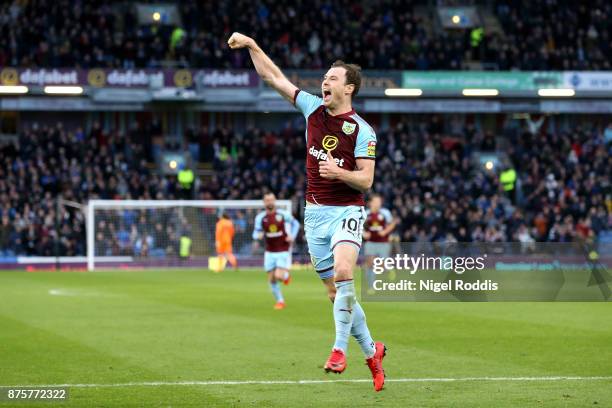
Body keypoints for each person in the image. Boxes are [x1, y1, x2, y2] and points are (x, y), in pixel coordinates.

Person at [228, 32, 386, 391]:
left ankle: (338, 350)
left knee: (346, 272)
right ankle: (371, 351)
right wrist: (253, 45)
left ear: (349, 88)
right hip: (314, 215)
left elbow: (366, 180)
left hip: (347, 209)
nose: (324, 82)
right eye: (325, 78)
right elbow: (274, 78)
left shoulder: (362, 130)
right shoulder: (312, 109)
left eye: (332, 78)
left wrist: (339, 173)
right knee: (336, 293)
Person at [252, 192, 300, 310]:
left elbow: (296, 224)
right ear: (264, 202)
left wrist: (292, 236)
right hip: (269, 251)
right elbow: (255, 232)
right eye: (267, 200)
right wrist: (257, 236)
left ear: (275, 201)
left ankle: (285, 275)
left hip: (283, 249)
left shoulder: (283, 215)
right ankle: (280, 301)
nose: (270, 202)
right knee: (272, 279)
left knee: (278, 275)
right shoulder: (260, 218)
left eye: (271, 200)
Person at [363, 194, 397, 290]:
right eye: (376, 201)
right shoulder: (366, 213)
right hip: (371, 242)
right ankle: (371, 286)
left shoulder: (385, 213)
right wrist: (364, 234)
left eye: (379, 202)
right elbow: (359, 225)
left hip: (383, 242)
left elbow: (392, 224)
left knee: (382, 264)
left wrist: (385, 232)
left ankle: (389, 270)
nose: (378, 204)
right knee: (370, 264)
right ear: (371, 203)